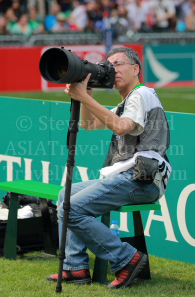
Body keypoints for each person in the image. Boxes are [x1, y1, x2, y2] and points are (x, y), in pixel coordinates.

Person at [46, 47, 171, 289]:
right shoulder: (126, 102)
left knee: (72, 208)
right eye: (109, 64)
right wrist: (86, 90)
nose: (113, 69)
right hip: (129, 177)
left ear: (136, 69)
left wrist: (84, 96)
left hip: (142, 179)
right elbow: (88, 123)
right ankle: (75, 268)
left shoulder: (141, 94)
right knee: (66, 195)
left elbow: (122, 127)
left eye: (119, 64)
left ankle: (127, 258)